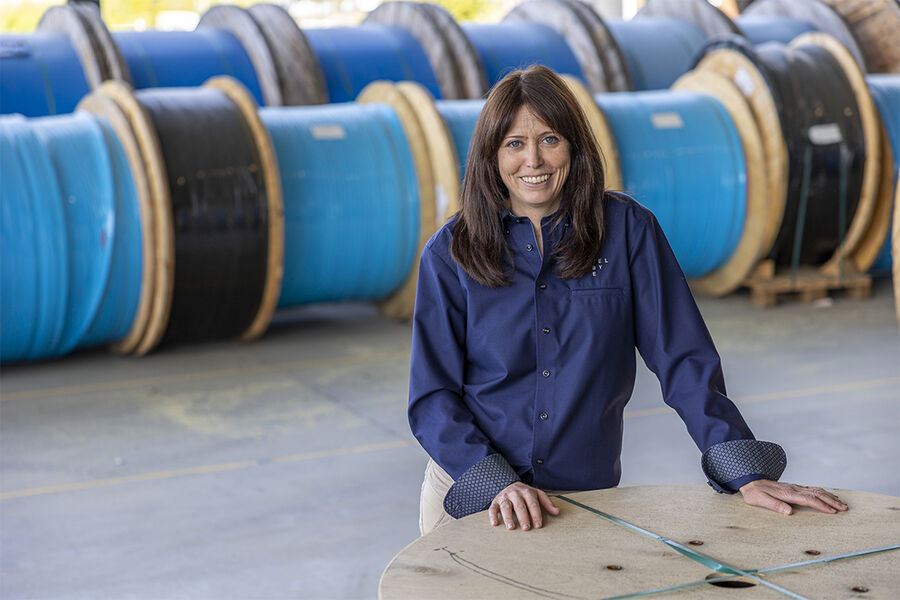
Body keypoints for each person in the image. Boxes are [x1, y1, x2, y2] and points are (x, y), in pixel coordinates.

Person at [408, 65, 847, 536]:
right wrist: (495, 482)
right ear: (490, 154)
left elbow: (683, 358)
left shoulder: (627, 231)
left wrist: (744, 470)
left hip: (585, 502)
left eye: (549, 139)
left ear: (574, 145)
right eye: (514, 143)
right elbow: (432, 396)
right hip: (478, 497)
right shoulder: (452, 252)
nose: (532, 160)